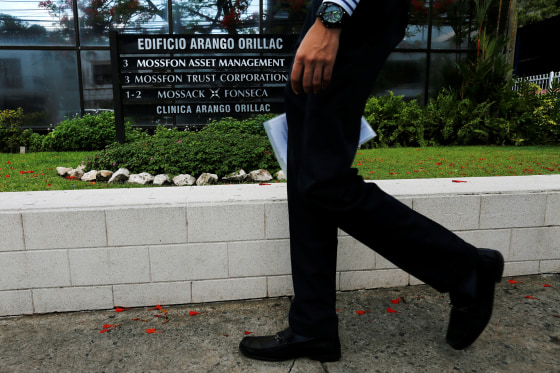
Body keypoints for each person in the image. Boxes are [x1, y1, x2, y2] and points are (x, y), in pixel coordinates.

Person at [239, 0, 504, 362]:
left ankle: (466, 269)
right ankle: (312, 326)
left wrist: (331, 16)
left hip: (351, 11)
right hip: (341, 10)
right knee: (306, 179)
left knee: (322, 180)